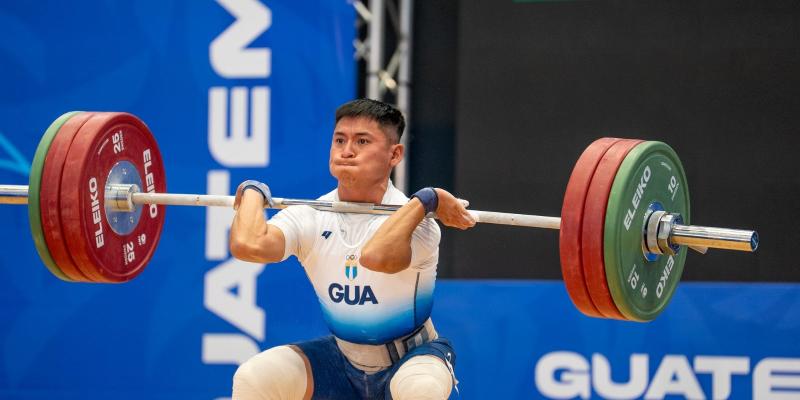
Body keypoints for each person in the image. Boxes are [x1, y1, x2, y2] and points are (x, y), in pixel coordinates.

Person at [229, 98, 476, 400]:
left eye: (362, 141)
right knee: (254, 377)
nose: (346, 150)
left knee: (420, 391)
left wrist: (427, 199)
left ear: (394, 154)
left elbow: (377, 257)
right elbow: (248, 245)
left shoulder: (419, 223)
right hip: (341, 360)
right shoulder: (310, 216)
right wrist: (253, 191)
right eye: (339, 140)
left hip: (414, 358)